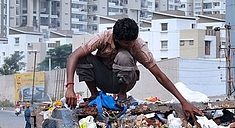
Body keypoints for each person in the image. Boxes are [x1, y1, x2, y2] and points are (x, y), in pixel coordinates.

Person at [65, 17, 203, 121]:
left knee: (124, 56)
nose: (131, 45)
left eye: (133, 41)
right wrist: (70, 87)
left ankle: (121, 96)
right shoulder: (102, 37)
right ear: (116, 38)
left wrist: (183, 102)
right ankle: (94, 95)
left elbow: (159, 75)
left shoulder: (138, 46)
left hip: (125, 82)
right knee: (83, 57)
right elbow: (72, 57)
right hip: (103, 78)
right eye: (126, 42)